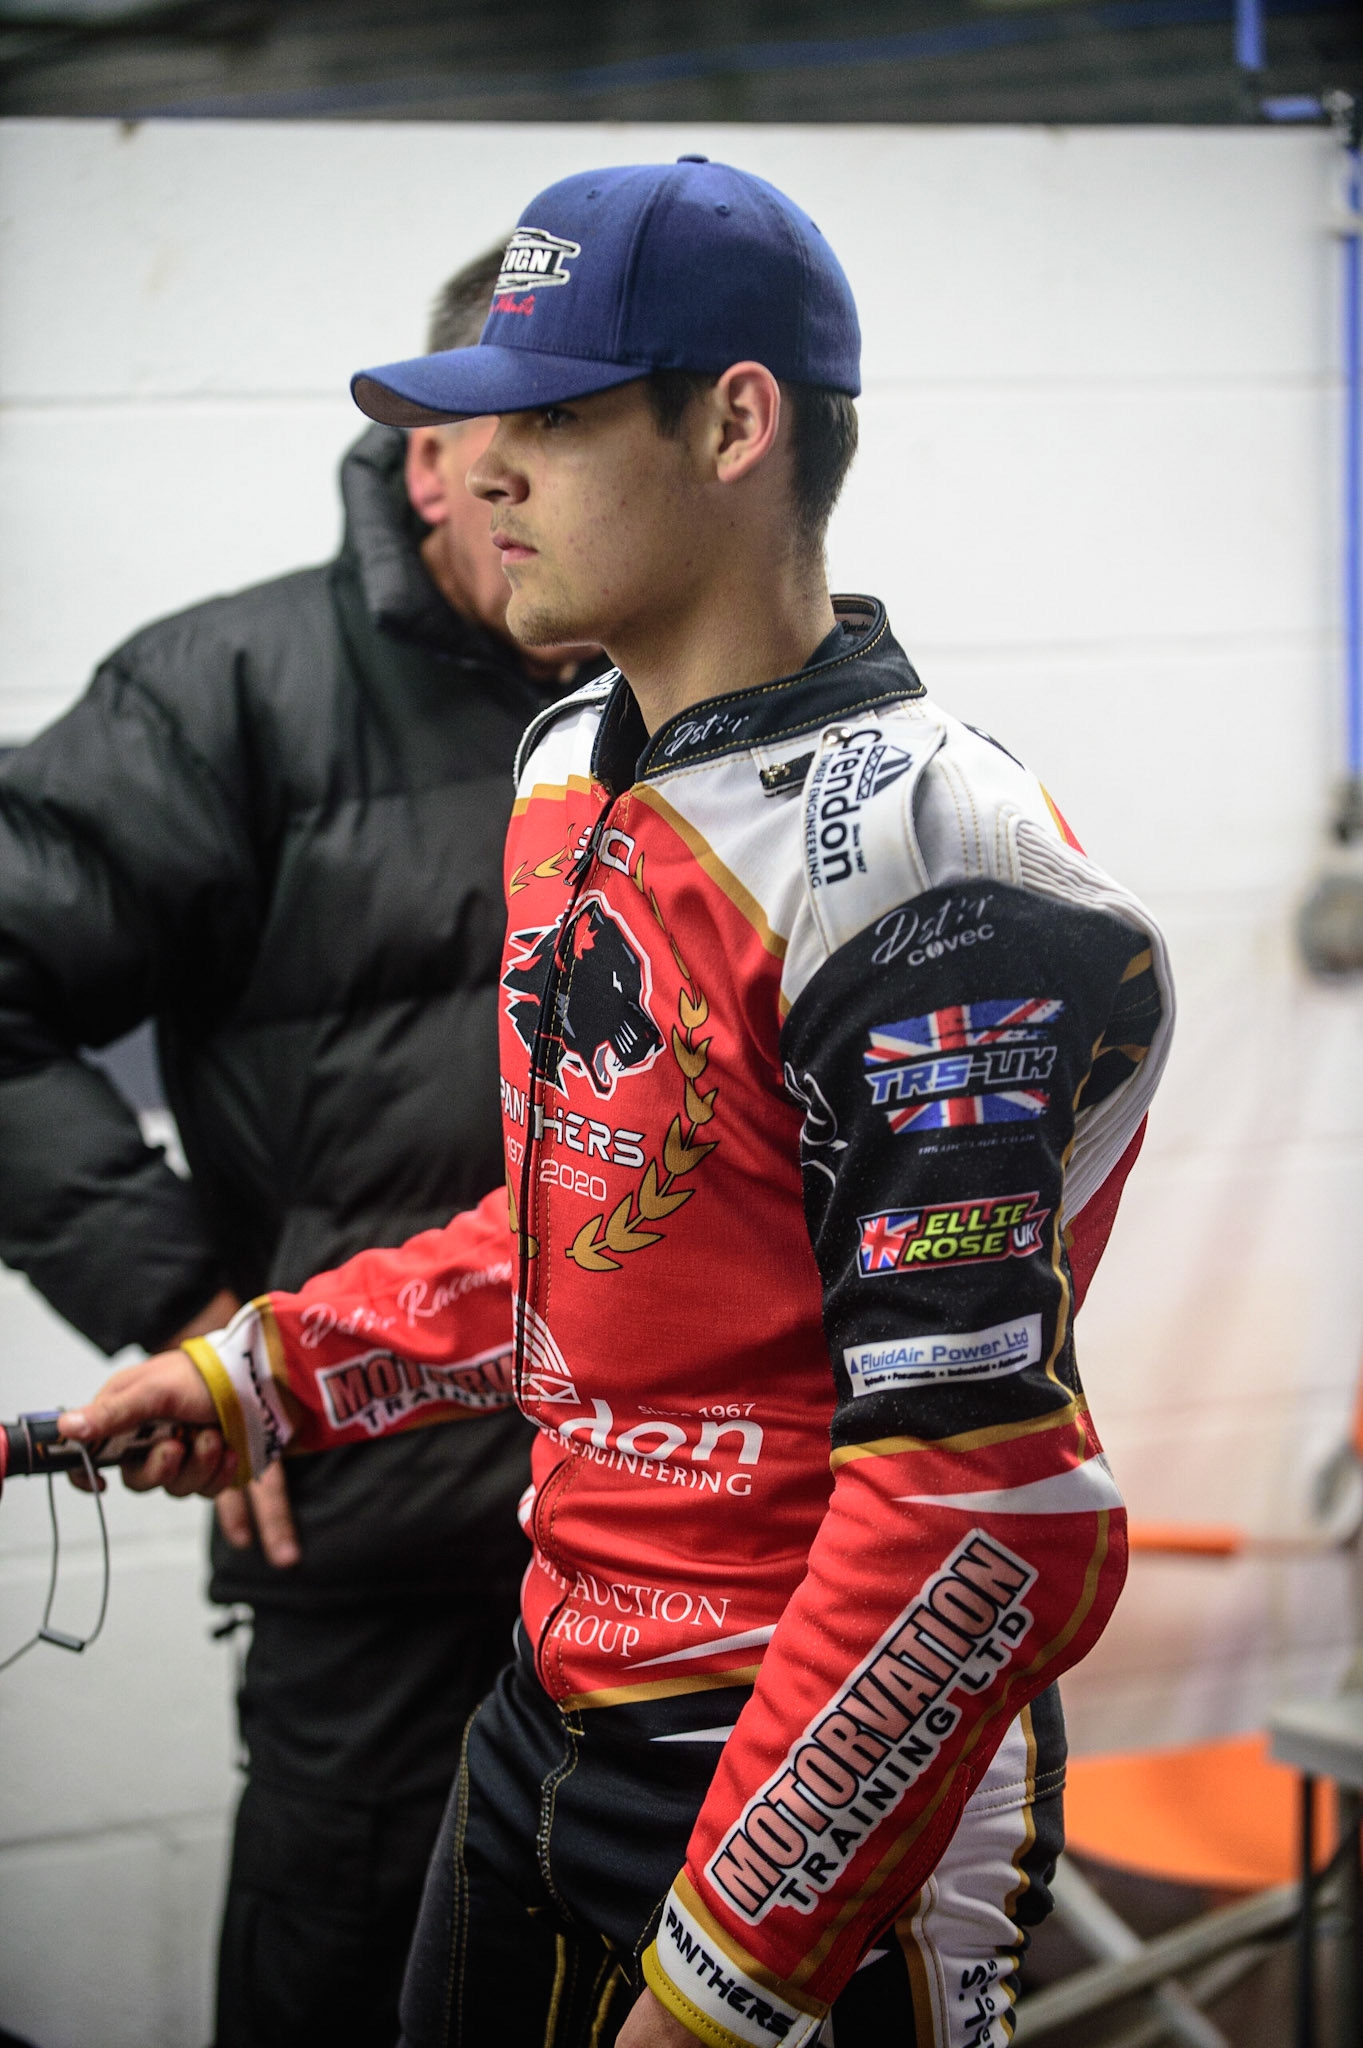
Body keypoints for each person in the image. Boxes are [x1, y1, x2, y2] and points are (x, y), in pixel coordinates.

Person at [63, 159, 1175, 2048]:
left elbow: (984, 1502)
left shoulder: (937, 864)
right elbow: (578, 1236)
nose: (480, 471)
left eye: (557, 418)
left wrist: (735, 1971)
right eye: (476, 422)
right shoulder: (571, 762)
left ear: (737, 424)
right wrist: (269, 1369)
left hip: (803, 1771)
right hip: (547, 1708)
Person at [0, 243, 593, 2047]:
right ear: (436, 458)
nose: (556, 492)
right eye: (521, 443)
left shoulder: (699, 701)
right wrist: (211, 1326)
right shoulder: (230, 693)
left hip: (676, 1547)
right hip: (381, 1544)